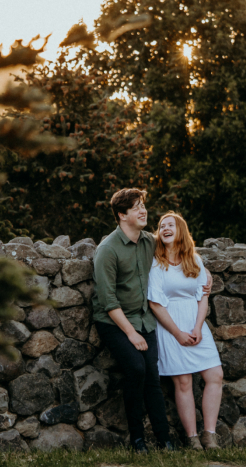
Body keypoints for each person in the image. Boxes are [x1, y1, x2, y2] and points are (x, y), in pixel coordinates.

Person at [91, 189, 211, 454]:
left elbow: (180, 249)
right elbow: (108, 301)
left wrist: (206, 274)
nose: (143, 211)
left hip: (144, 320)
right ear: (122, 215)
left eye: (143, 206)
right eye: (136, 208)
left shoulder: (149, 242)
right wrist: (132, 335)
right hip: (114, 322)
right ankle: (137, 440)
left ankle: (164, 439)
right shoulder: (107, 250)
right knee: (136, 369)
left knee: (152, 378)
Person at [147, 211, 223, 451]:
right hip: (170, 325)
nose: (166, 228)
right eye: (161, 226)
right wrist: (178, 333)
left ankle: (210, 435)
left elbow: (203, 296)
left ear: (181, 230)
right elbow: (155, 303)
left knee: (215, 375)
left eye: (171, 224)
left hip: (195, 322)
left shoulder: (195, 260)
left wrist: (198, 327)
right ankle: (192, 439)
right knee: (183, 382)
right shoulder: (155, 262)